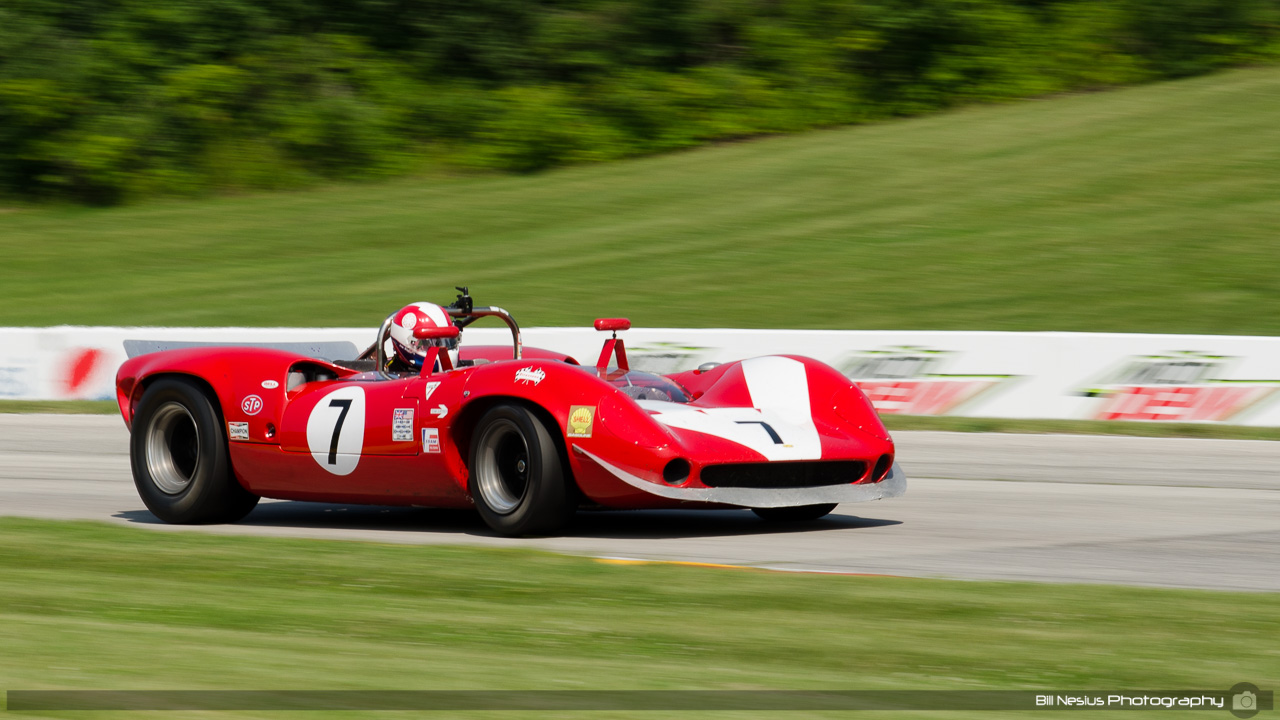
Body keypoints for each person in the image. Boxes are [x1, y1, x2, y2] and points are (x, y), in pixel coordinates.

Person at [385, 301, 460, 373]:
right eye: (427, 343)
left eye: (448, 341)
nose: (443, 348)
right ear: (406, 344)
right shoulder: (388, 377)